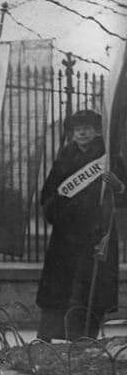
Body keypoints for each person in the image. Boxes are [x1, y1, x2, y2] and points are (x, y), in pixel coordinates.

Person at [37, 109, 124, 341]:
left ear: (97, 132)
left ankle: (84, 340)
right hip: (65, 236)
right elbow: (48, 193)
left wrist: (118, 186)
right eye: (77, 129)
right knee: (59, 288)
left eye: (87, 128)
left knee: (89, 290)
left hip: (96, 234)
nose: (81, 133)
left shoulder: (110, 158)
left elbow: (123, 197)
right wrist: (56, 209)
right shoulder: (64, 157)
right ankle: (49, 337)